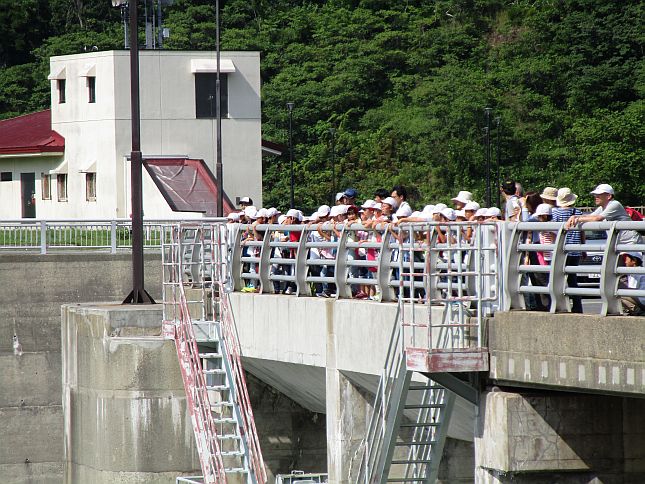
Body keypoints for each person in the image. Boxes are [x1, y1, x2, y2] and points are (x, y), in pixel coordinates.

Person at [565, 184, 642, 247]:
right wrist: (574, 217)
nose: (595, 197)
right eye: (595, 195)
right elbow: (590, 217)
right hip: (618, 243)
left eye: (599, 195)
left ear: (609, 196)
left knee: (629, 265)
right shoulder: (602, 208)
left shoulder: (615, 204)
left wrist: (577, 219)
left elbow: (597, 218)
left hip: (631, 242)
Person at [552, 188, 584, 313]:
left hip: (561, 250)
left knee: (558, 278)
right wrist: (583, 247)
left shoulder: (555, 213)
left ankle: (561, 306)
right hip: (575, 250)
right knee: (572, 279)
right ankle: (577, 307)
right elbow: (582, 233)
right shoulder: (578, 213)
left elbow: (553, 230)